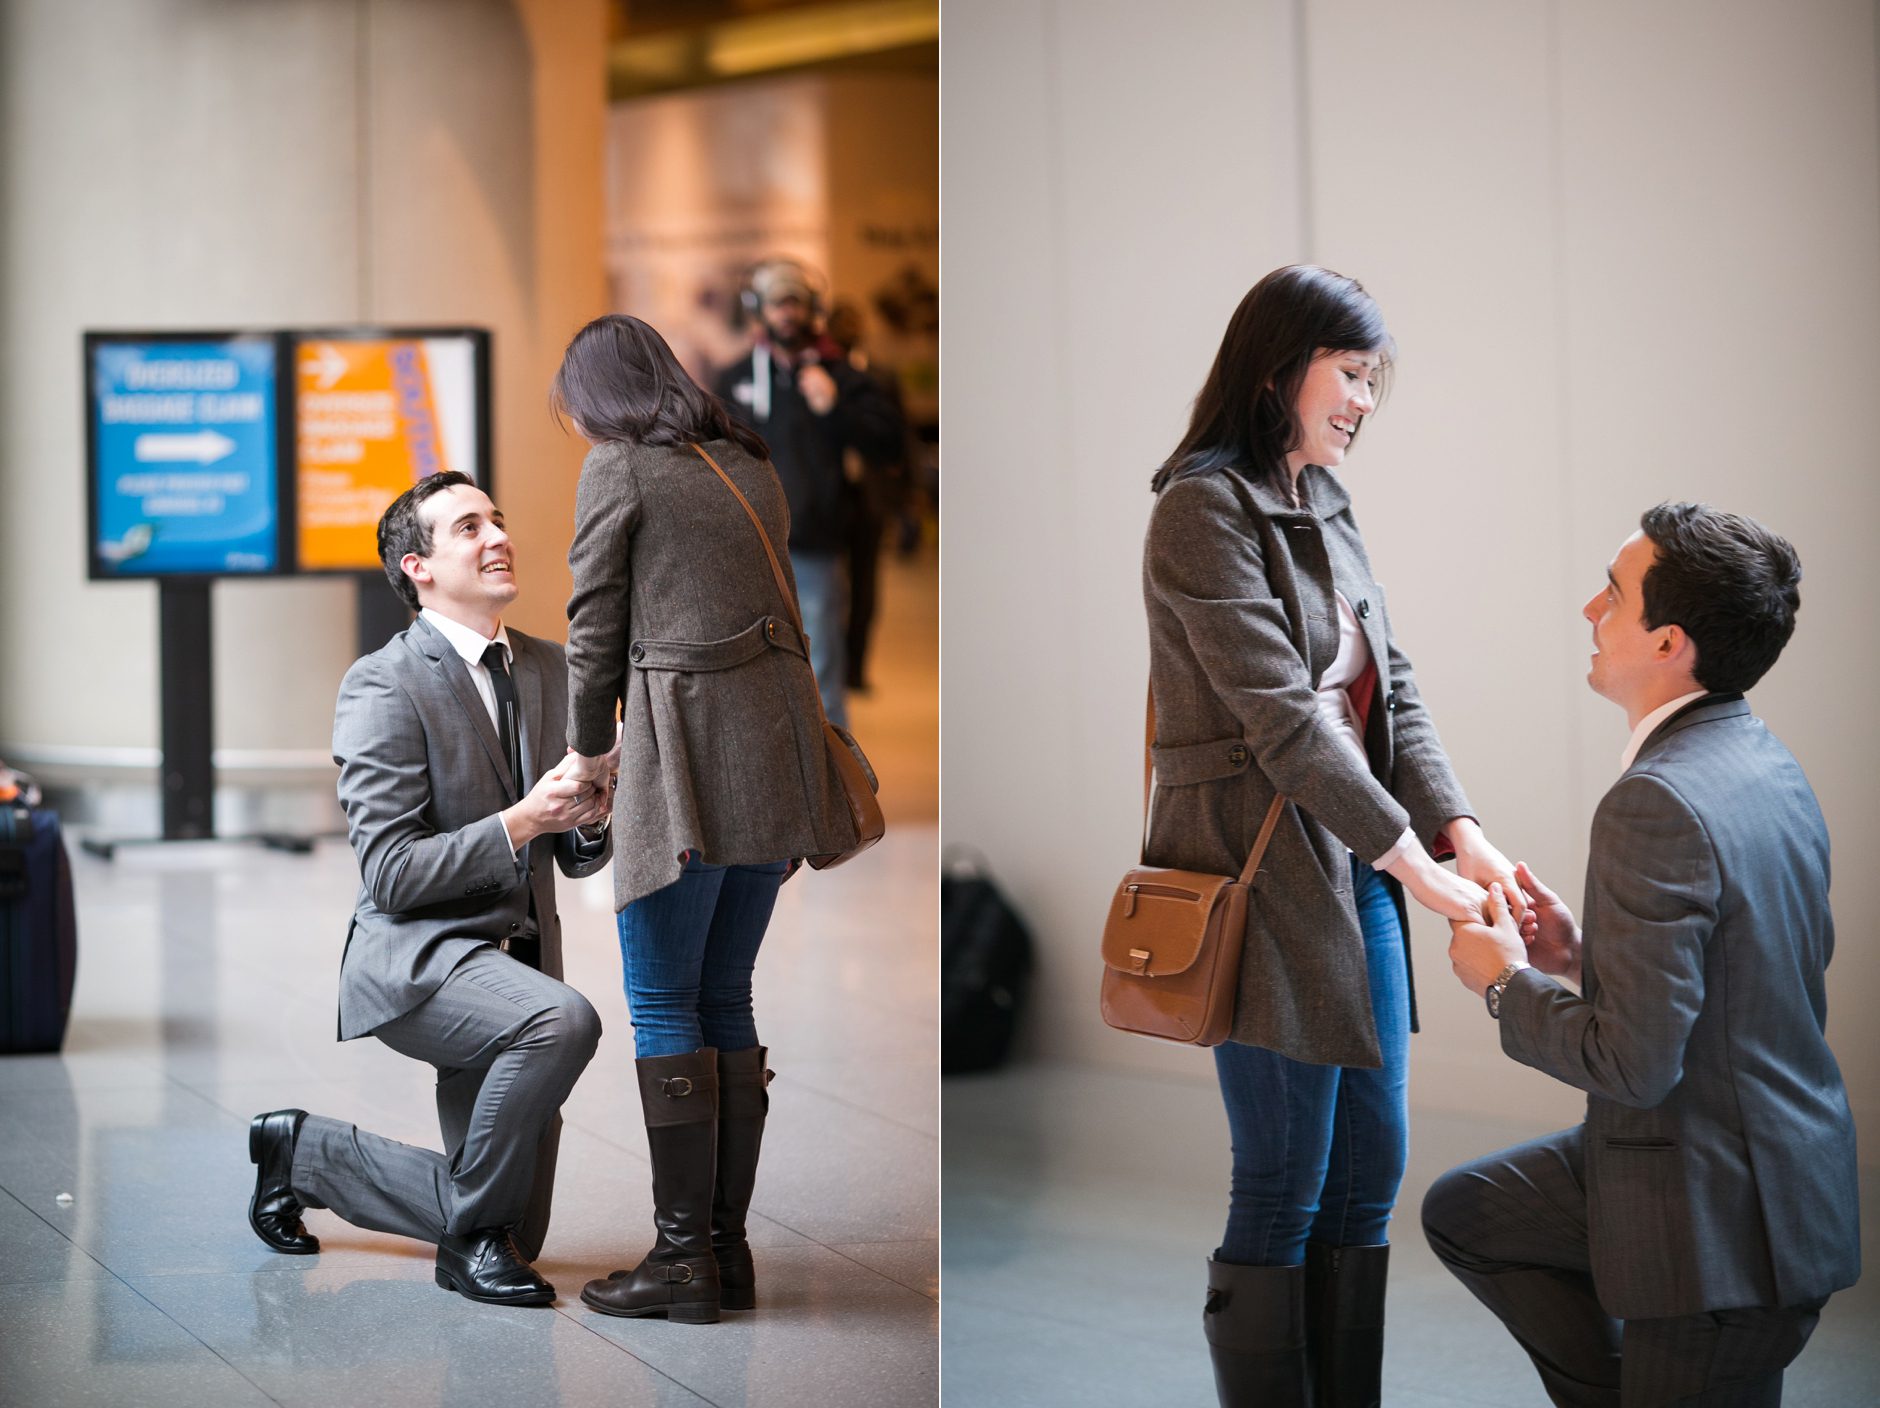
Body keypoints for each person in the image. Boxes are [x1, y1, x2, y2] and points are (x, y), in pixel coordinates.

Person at [1141, 264, 1524, 1406]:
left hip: (1351, 862)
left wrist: (1463, 834)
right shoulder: (1199, 509)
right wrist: (1413, 863)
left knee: (1368, 1174)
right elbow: (1281, 719)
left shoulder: (1323, 495)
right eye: (1349, 374)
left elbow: (1385, 685)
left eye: (1372, 382)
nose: (1363, 401)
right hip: (1261, 879)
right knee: (1282, 1181)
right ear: (1277, 366)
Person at [1427, 504, 1858, 1407]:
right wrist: (1580, 958)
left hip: (1715, 1228)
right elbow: (1742, 980)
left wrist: (1502, 981)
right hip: (1779, 1176)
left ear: (1667, 643)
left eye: (1613, 594)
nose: (1591, 607)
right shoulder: (1760, 761)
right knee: (1470, 1212)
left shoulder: (1654, 801)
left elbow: (1633, 1065)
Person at [552, 313, 860, 1324]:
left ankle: (681, 1262)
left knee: (664, 1002)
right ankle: (723, 1254)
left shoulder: (621, 468)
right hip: (770, 753)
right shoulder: (746, 457)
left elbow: (593, 620)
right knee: (725, 990)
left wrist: (587, 753)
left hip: (682, 753)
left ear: (597, 396)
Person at [245, 471, 613, 1307]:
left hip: (515, 963)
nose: (497, 537)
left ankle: (301, 1154)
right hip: (419, 961)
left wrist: (591, 814)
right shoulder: (382, 683)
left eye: (499, 520)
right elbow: (392, 873)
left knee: (519, 1228)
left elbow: (578, 857)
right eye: (469, 528)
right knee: (565, 1020)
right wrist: (523, 820)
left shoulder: (555, 670)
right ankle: (468, 1244)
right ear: (417, 567)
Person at [712, 257, 902, 726]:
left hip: (816, 546)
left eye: (796, 302)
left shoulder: (840, 375)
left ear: (812, 308)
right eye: (778, 303)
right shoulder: (734, 378)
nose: (787, 313)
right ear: (760, 309)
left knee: (821, 666)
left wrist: (833, 408)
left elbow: (889, 444)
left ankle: (834, 781)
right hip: (750, 548)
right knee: (751, 665)